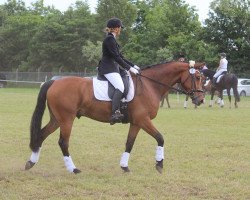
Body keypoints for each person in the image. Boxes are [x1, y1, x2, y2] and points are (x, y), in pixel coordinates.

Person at [98, 18, 140, 125]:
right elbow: (116, 57)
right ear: (116, 28)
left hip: (114, 67)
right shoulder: (109, 40)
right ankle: (115, 112)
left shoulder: (113, 39)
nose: (121, 29)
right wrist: (129, 69)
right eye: (120, 27)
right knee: (120, 87)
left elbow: (121, 57)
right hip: (108, 68)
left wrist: (133, 65)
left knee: (125, 80)